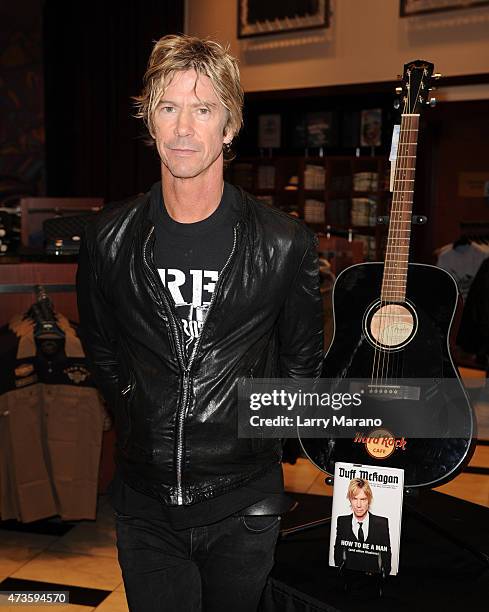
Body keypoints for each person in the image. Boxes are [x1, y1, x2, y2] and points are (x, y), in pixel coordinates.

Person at [77, 34, 323, 612]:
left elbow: (302, 363)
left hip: (244, 505)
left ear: (231, 126)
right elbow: (102, 350)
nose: (184, 128)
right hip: (144, 505)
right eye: (169, 107)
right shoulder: (108, 239)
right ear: (151, 121)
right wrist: (138, 410)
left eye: (204, 108)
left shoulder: (284, 243)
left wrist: (253, 440)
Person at [334, 478, 391, 575]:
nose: (358, 505)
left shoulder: (382, 523)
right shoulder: (342, 521)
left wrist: (384, 578)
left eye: (363, 499)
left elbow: (386, 554)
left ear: (369, 500)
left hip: (373, 578)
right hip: (349, 576)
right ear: (350, 500)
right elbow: (338, 551)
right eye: (355, 499)